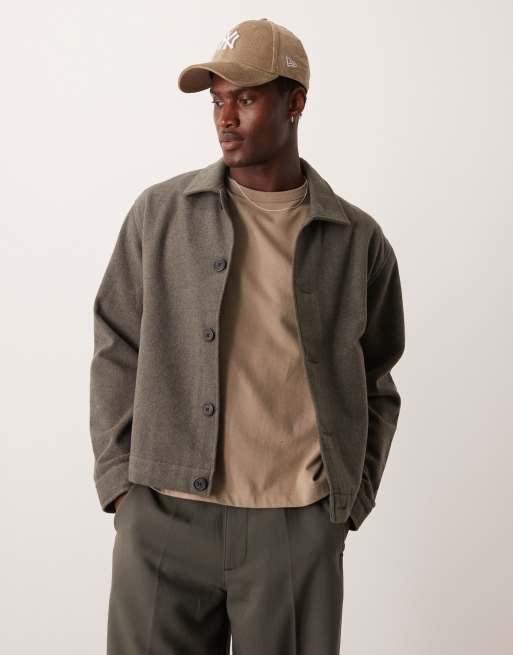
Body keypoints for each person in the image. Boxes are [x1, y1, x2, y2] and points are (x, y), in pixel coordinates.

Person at [89, 18, 405, 655]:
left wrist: (347, 502)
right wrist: (122, 486)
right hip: (163, 517)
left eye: (247, 98)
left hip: (294, 524)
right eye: (217, 100)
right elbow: (116, 344)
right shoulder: (160, 214)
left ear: (295, 102)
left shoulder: (356, 240)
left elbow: (375, 379)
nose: (225, 118)